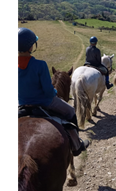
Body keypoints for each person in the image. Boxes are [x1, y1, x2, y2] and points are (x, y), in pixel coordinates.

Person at [17, 27, 89, 156]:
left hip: (21, 103)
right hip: (45, 102)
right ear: (30, 47)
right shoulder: (40, 65)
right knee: (71, 112)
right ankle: (77, 145)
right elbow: (48, 92)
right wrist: (54, 90)